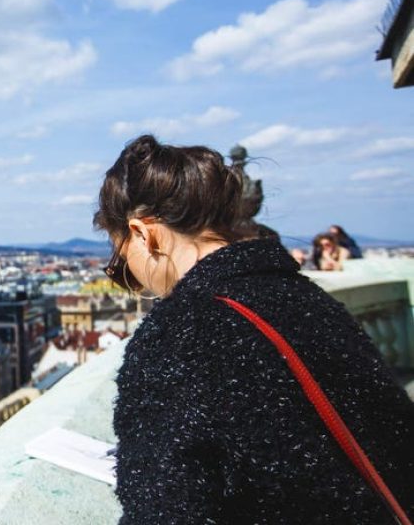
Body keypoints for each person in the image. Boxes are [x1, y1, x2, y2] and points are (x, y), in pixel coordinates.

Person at [94, 135, 414, 524]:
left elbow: (163, 510)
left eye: (122, 262)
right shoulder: (305, 296)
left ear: (145, 234)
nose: (135, 279)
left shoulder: (178, 333)